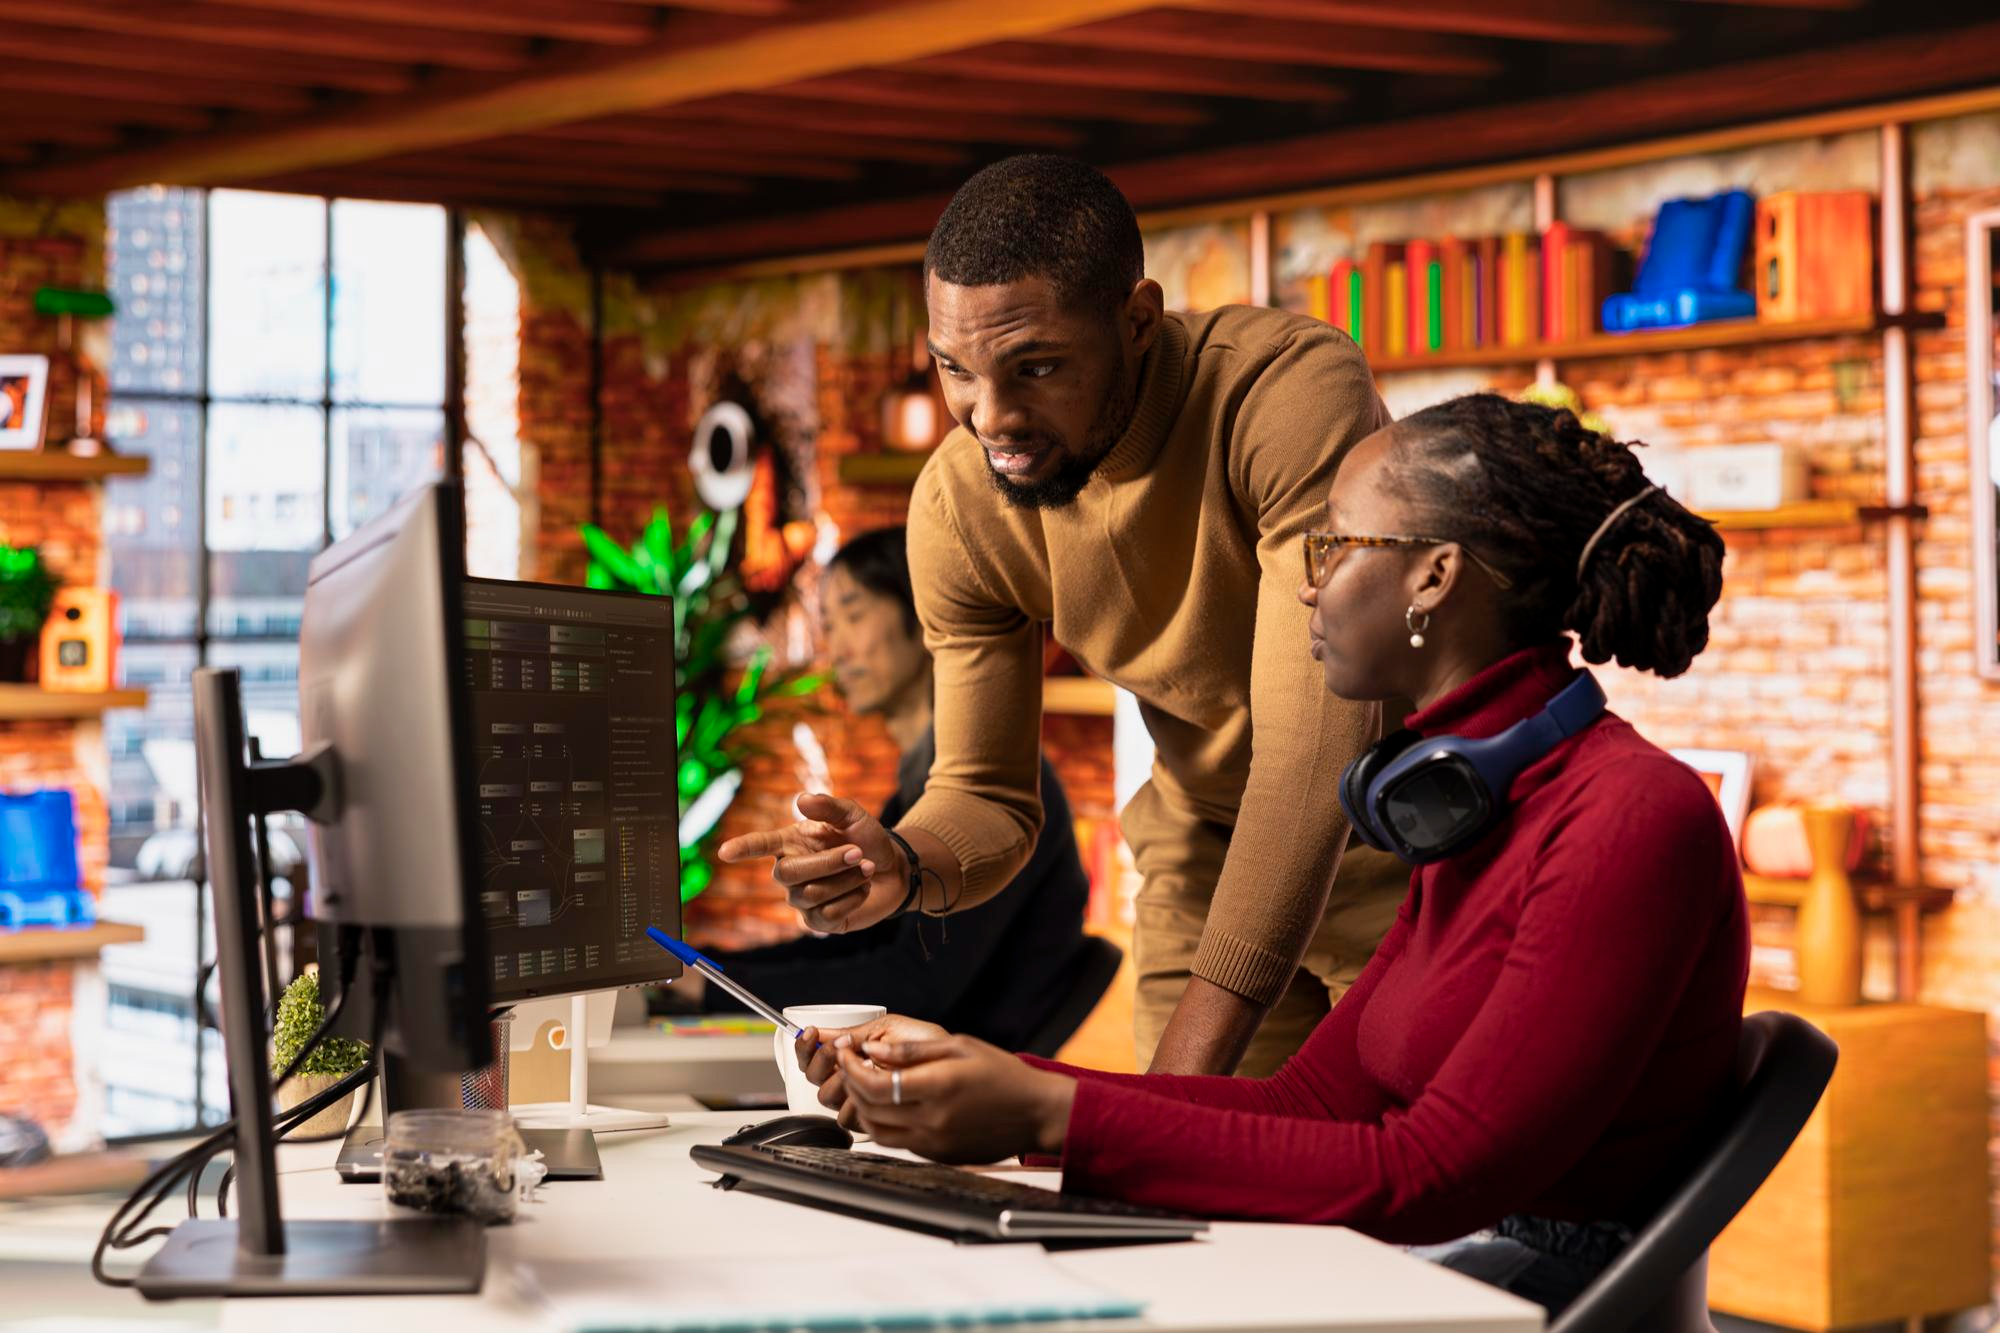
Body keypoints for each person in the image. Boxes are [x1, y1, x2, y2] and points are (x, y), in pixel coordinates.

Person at [792, 394, 1750, 1316]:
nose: (1307, 580)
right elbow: (1313, 1102)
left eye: (1333, 544)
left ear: (1434, 577)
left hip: (1529, 1295)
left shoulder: (1629, 817)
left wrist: (1046, 1115)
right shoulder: (1463, 810)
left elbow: (1430, 1176)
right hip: (1445, 1271)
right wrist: (998, 1077)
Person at [720, 154, 1408, 1078]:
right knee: (1191, 1205)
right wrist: (908, 861)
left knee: (1414, 1188)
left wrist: (1166, 1103)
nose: (991, 418)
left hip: (1416, 835)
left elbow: (1311, 756)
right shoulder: (962, 505)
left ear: (1136, 320)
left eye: (1036, 366)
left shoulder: (1280, 397)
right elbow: (987, 794)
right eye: (955, 370)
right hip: (1206, 841)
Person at [675, 527, 1094, 1052]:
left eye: (853, 614)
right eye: (828, 624)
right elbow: (858, 951)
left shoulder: (992, 792)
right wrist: (709, 970)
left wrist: (710, 987)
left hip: (981, 1087)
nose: (837, 645)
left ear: (923, 614)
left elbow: (912, 987)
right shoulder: (917, 788)